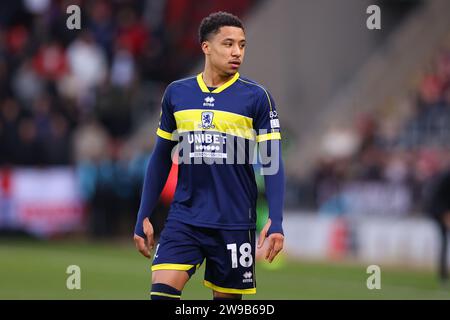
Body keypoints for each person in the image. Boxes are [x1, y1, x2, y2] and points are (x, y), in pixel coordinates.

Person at [133, 11, 285, 300]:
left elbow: (272, 160)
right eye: (228, 44)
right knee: (160, 295)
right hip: (185, 217)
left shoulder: (257, 98)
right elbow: (161, 158)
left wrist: (275, 219)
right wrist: (144, 214)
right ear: (206, 47)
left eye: (242, 45)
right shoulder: (177, 93)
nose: (237, 52)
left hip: (234, 221)